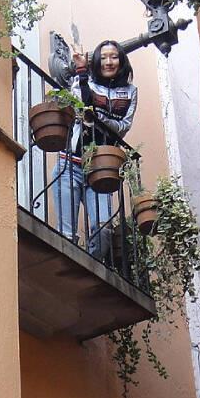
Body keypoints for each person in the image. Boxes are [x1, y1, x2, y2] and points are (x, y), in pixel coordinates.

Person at [51, 40, 138, 257]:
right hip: (69, 164)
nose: (109, 62)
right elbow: (79, 106)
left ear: (121, 60)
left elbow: (123, 127)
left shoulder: (130, 92)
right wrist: (81, 71)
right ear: (97, 60)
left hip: (102, 169)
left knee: (103, 230)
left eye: (114, 56)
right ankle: (70, 273)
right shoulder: (85, 81)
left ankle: (92, 265)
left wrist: (99, 119)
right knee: (66, 235)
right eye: (104, 56)